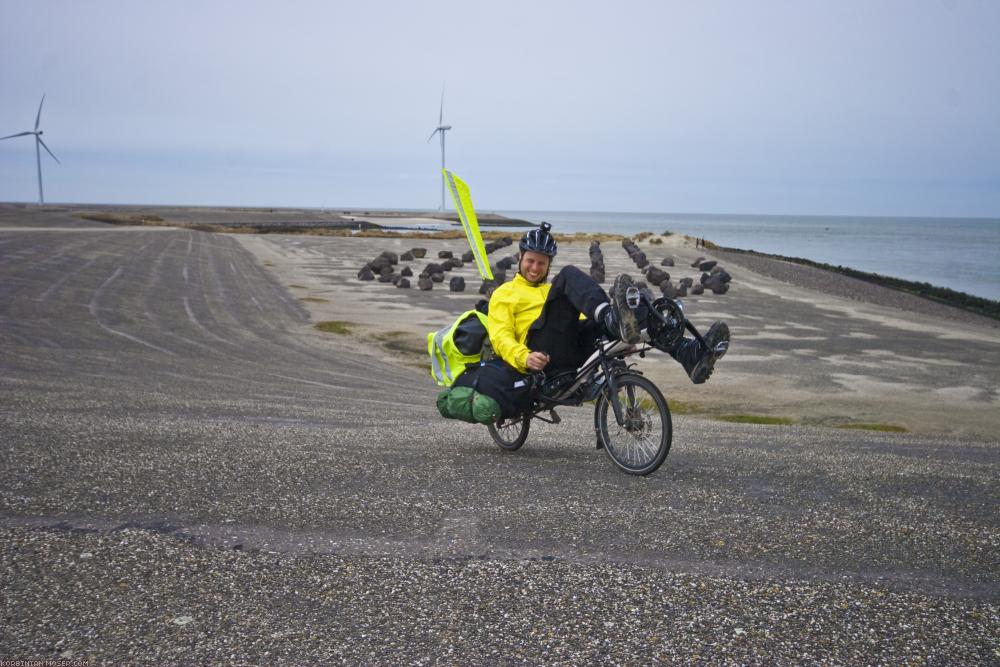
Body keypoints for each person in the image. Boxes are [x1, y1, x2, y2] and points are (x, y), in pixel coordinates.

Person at [462, 222, 729, 418]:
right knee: (569, 275)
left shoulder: (550, 292)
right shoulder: (504, 294)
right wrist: (524, 357)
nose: (535, 268)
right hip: (539, 354)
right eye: (531, 261)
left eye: (542, 264)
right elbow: (500, 338)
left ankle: (688, 352)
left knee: (635, 309)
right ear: (520, 258)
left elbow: (581, 317)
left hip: (569, 347)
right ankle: (614, 321)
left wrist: (625, 337)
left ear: (547, 264)